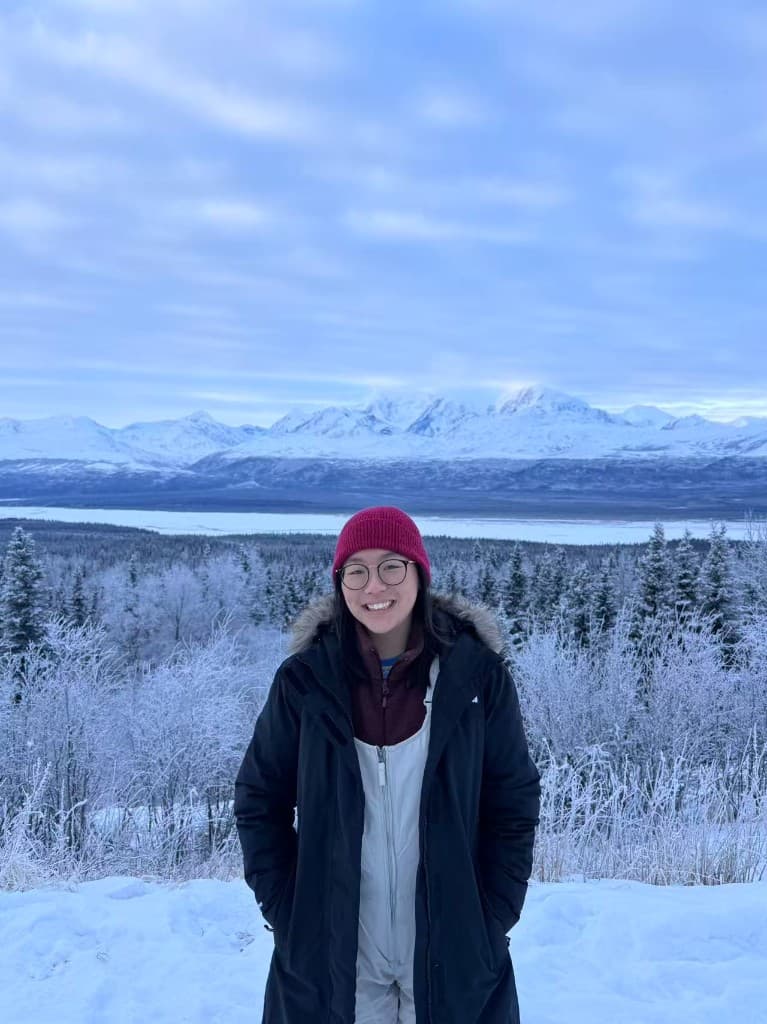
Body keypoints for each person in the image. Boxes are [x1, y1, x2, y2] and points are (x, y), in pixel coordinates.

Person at [234, 506, 540, 1024]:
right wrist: (290, 913)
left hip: (454, 943)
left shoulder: (475, 679)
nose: (374, 584)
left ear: (419, 572)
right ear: (341, 583)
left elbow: (512, 801)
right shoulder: (304, 683)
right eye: (356, 570)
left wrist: (492, 916)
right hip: (331, 950)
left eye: (392, 566)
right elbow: (258, 799)